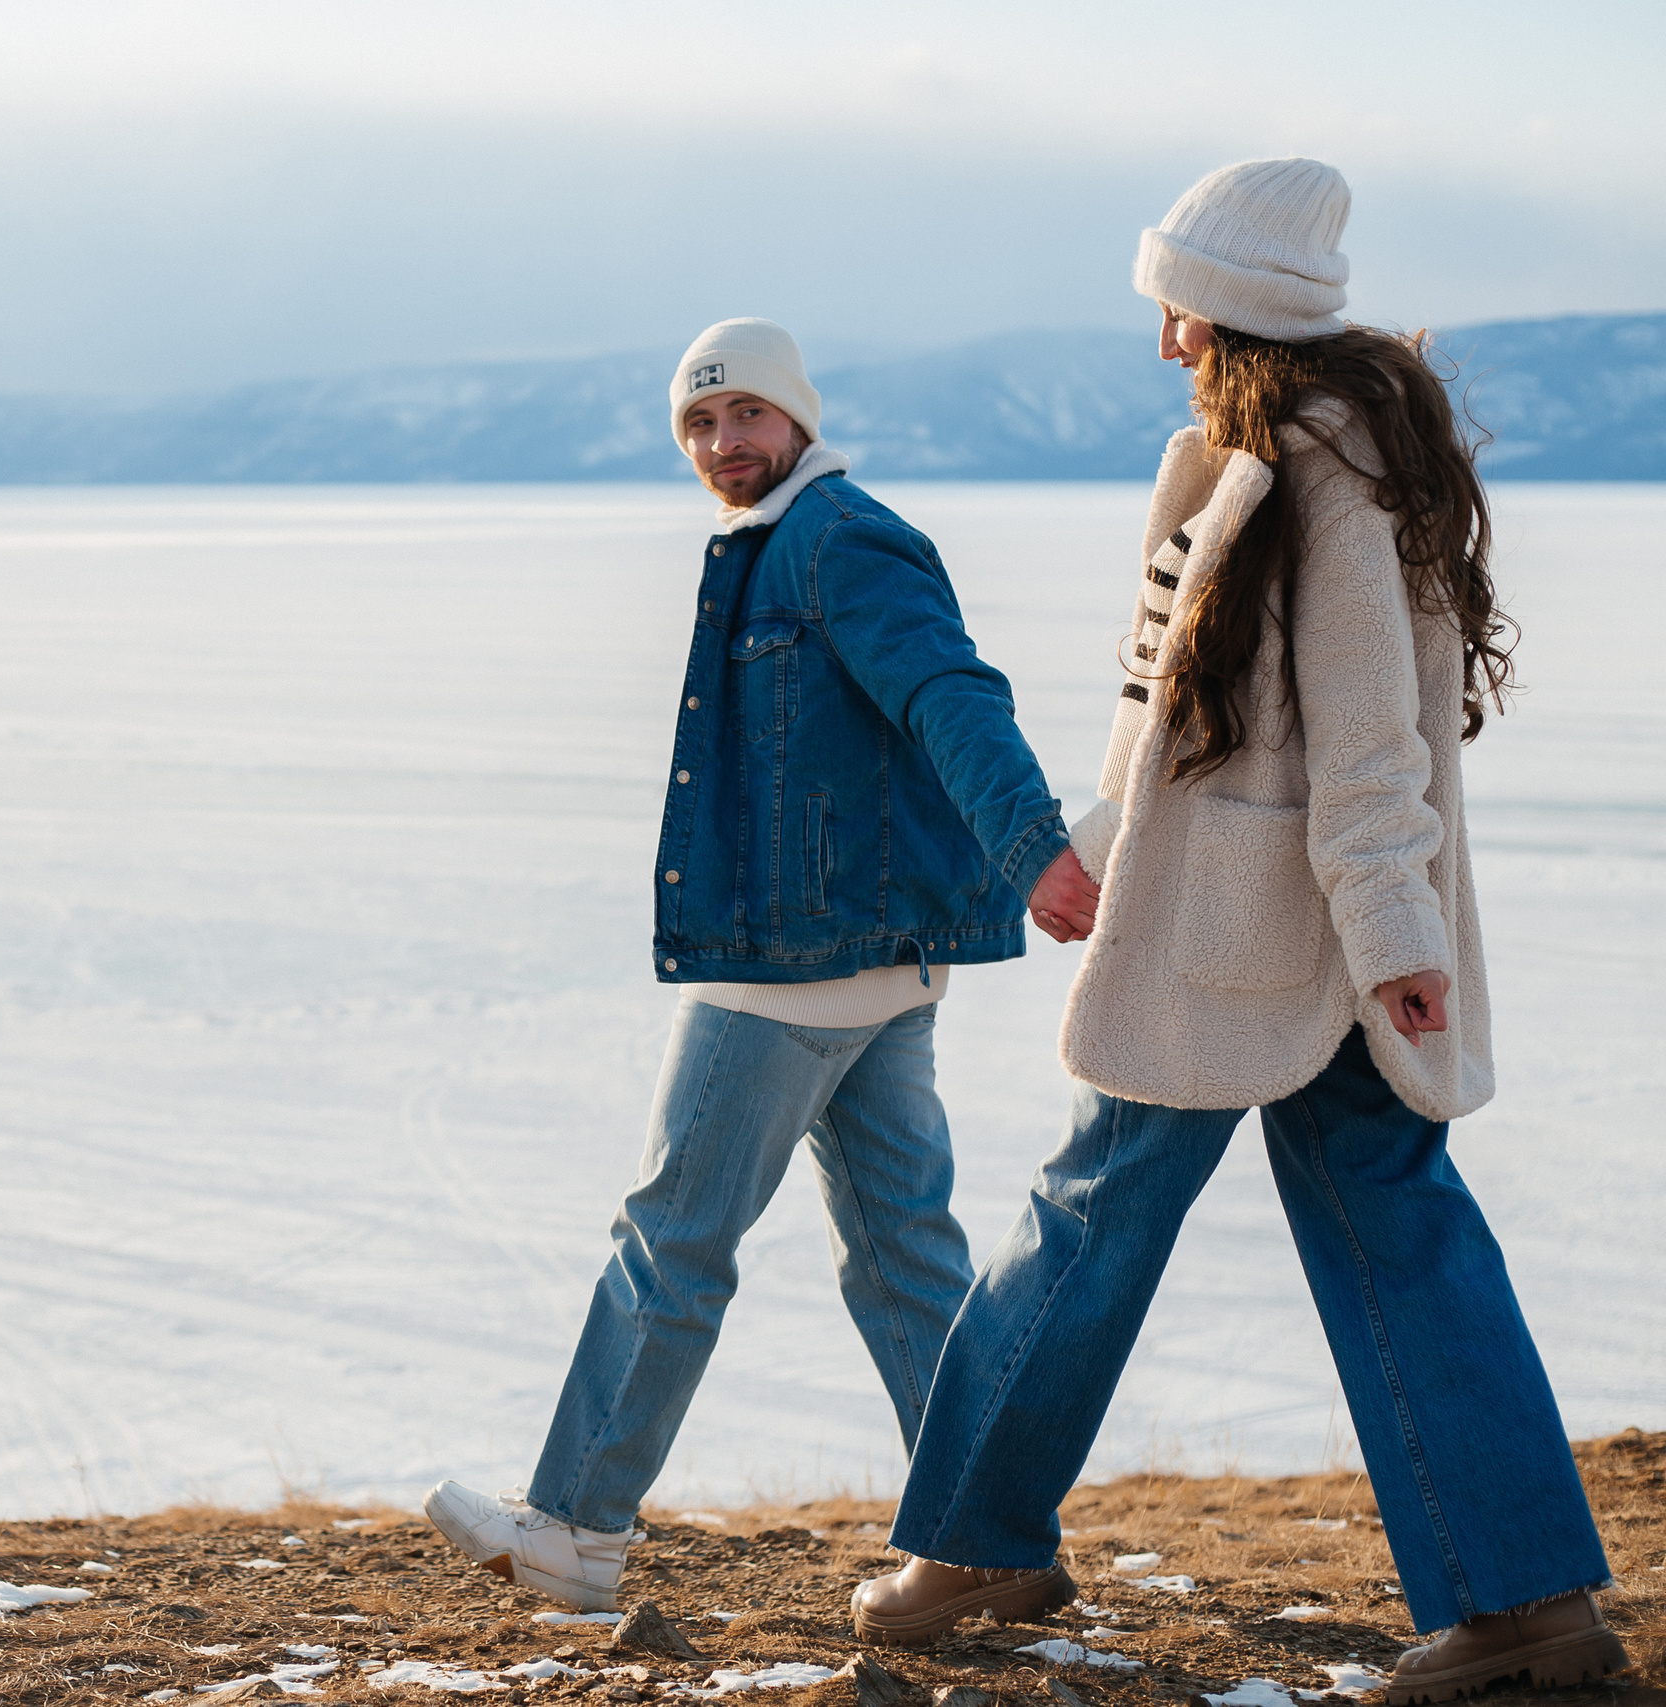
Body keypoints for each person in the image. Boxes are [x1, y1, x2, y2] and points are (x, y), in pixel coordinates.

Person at [850, 159, 1628, 1703]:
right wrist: (1084, 851)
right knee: (1385, 1225)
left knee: (1095, 1210)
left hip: (1265, 934)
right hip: (1267, 922)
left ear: (1244, 318)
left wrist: (1401, 940)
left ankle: (984, 1532)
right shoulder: (1270, 454)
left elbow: (1366, 740)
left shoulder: (1319, 474)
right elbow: (1170, 722)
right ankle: (1522, 1601)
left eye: (1180, 313)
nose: (1164, 345)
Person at [423, 317, 1102, 1611]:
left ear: (796, 419)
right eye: (699, 425)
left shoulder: (840, 539)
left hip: (792, 967)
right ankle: (987, 1539)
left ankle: (574, 1530)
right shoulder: (765, 544)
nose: (724, 444)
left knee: (672, 1239)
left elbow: (952, 695)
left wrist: (1032, 847)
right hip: (865, 968)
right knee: (906, 1257)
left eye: (745, 418)